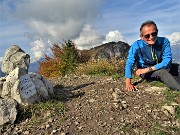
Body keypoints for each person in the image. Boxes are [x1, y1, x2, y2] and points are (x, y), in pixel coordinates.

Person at [125, 20, 180, 91]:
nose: (151, 37)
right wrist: (128, 83)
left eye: (154, 34)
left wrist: (148, 69)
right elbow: (129, 63)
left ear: (157, 32)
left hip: (148, 69)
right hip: (146, 71)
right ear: (141, 37)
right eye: (147, 36)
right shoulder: (136, 46)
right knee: (162, 72)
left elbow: (167, 61)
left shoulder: (164, 41)